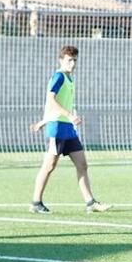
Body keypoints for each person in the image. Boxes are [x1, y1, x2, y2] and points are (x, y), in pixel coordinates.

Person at [28, 45, 109, 214]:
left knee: (82, 165)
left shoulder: (69, 79)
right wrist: (70, 115)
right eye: (69, 60)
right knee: (49, 165)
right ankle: (36, 202)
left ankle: (90, 203)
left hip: (68, 129)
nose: (72, 63)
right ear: (61, 60)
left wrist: (41, 122)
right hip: (57, 129)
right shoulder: (58, 76)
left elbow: (55, 106)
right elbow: (51, 100)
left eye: (74, 60)